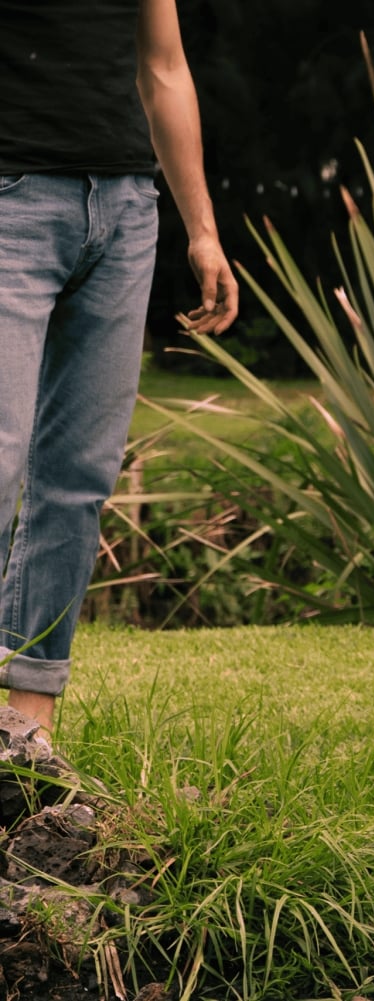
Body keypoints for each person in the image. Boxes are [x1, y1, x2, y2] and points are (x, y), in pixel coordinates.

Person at [0, 0, 239, 736]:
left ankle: (27, 728)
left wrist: (202, 229)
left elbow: (163, 66)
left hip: (125, 210)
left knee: (78, 477)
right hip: (12, 199)